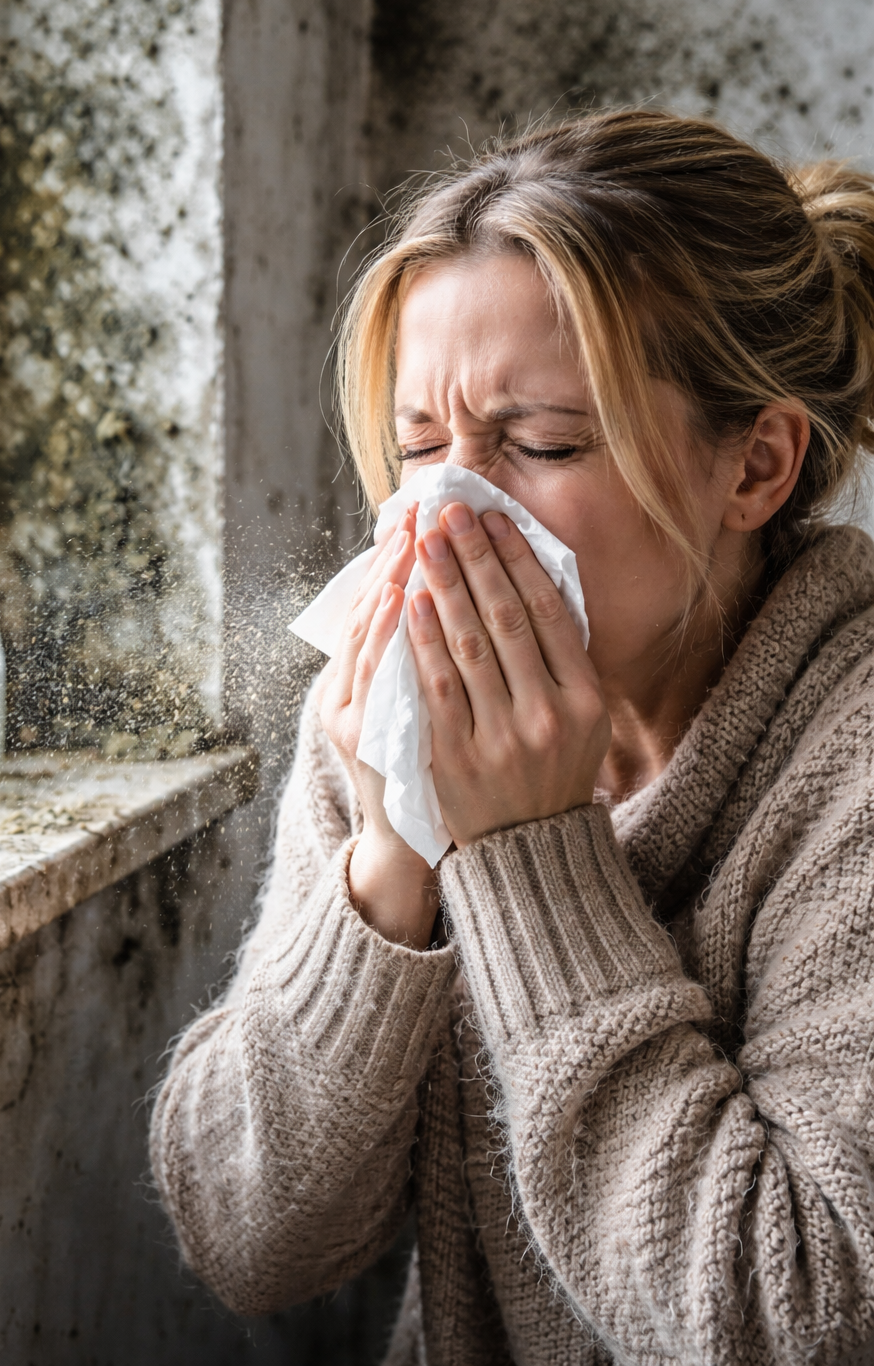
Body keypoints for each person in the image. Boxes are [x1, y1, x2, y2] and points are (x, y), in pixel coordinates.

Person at [150, 109, 874, 1365]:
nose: (444, 510)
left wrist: (531, 852)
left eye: (539, 446)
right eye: (417, 445)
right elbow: (248, 1238)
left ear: (754, 467)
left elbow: (795, 1316)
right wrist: (390, 863)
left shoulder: (848, 767)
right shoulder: (394, 724)